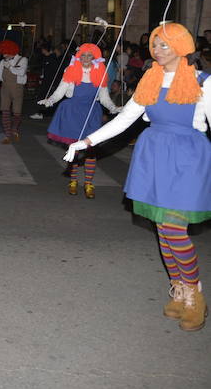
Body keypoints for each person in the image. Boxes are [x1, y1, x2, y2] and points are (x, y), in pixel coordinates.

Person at [64, 23, 210, 331]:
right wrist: (87, 141)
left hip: (187, 158)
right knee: (162, 228)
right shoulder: (151, 78)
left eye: (165, 45)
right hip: (154, 155)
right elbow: (126, 119)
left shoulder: (203, 82)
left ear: (182, 47)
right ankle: (179, 289)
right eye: (155, 44)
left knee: (173, 227)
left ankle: (194, 294)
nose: (157, 50)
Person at [38, 43, 121, 198]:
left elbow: (104, 98)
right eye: (83, 55)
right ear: (78, 56)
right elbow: (60, 91)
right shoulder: (71, 70)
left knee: (90, 150)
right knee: (74, 149)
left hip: (91, 113)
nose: (86, 59)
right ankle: (74, 181)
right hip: (73, 112)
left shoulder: (100, 73)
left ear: (95, 58)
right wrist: (50, 101)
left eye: (90, 56)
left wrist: (113, 108)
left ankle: (89, 183)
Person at [0, 39, 28, 143]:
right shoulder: (3, 62)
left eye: (5, 53)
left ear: (12, 51)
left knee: (17, 113)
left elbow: (21, 72)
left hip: (17, 88)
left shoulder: (23, 60)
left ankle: (14, 130)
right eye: (3, 53)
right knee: (5, 112)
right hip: (5, 89)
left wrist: (10, 67)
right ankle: (7, 135)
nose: (4, 55)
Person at [30, 43, 62, 119]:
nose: (42, 50)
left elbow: (55, 71)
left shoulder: (52, 59)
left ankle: (42, 113)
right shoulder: (46, 58)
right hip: (46, 81)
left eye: (43, 49)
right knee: (43, 97)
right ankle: (42, 113)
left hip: (50, 82)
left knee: (46, 97)